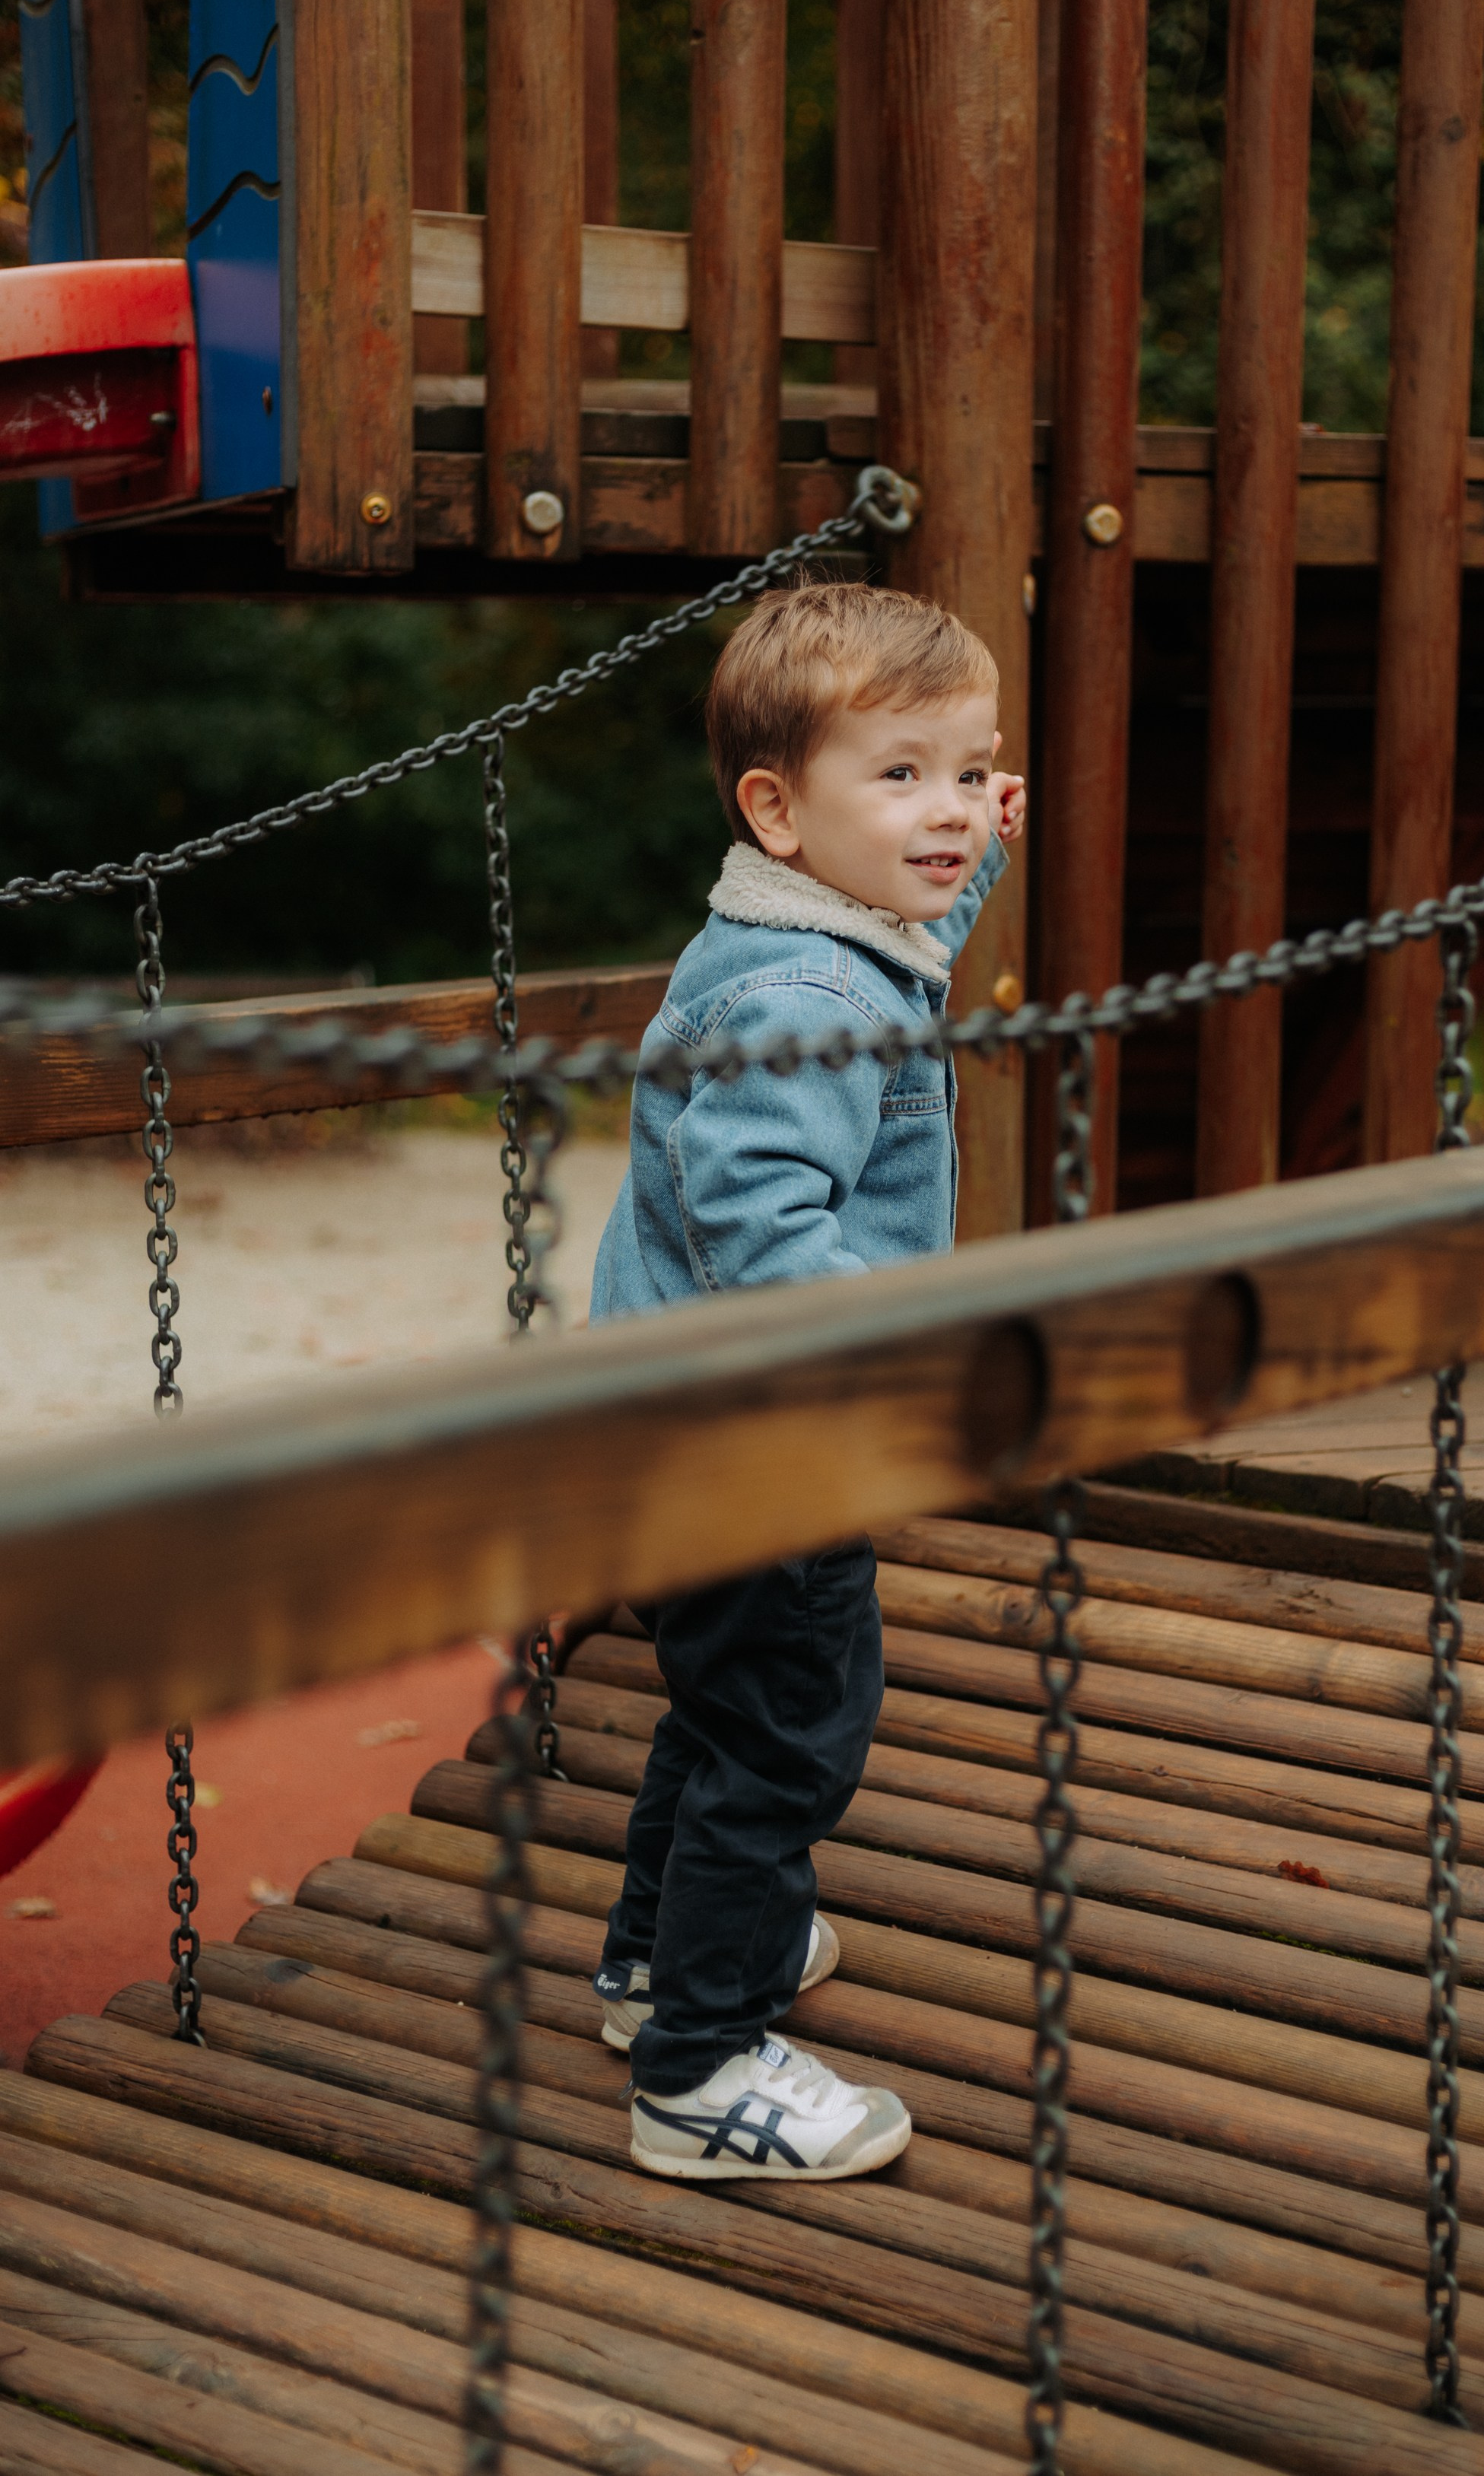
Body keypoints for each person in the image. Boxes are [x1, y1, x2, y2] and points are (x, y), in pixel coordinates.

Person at [589, 578, 1026, 2182]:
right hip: (760, 1443)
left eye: (973, 773)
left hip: (682, 1431)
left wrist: (961, 857)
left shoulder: (792, 933)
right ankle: (698, 2071)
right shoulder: (807, 1004)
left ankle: (655, 1969)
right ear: (779, 808)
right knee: (789, 1735)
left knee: (722, 1710)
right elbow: (761, 1227)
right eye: (904, 775)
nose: (954, 811)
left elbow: (901, 934)